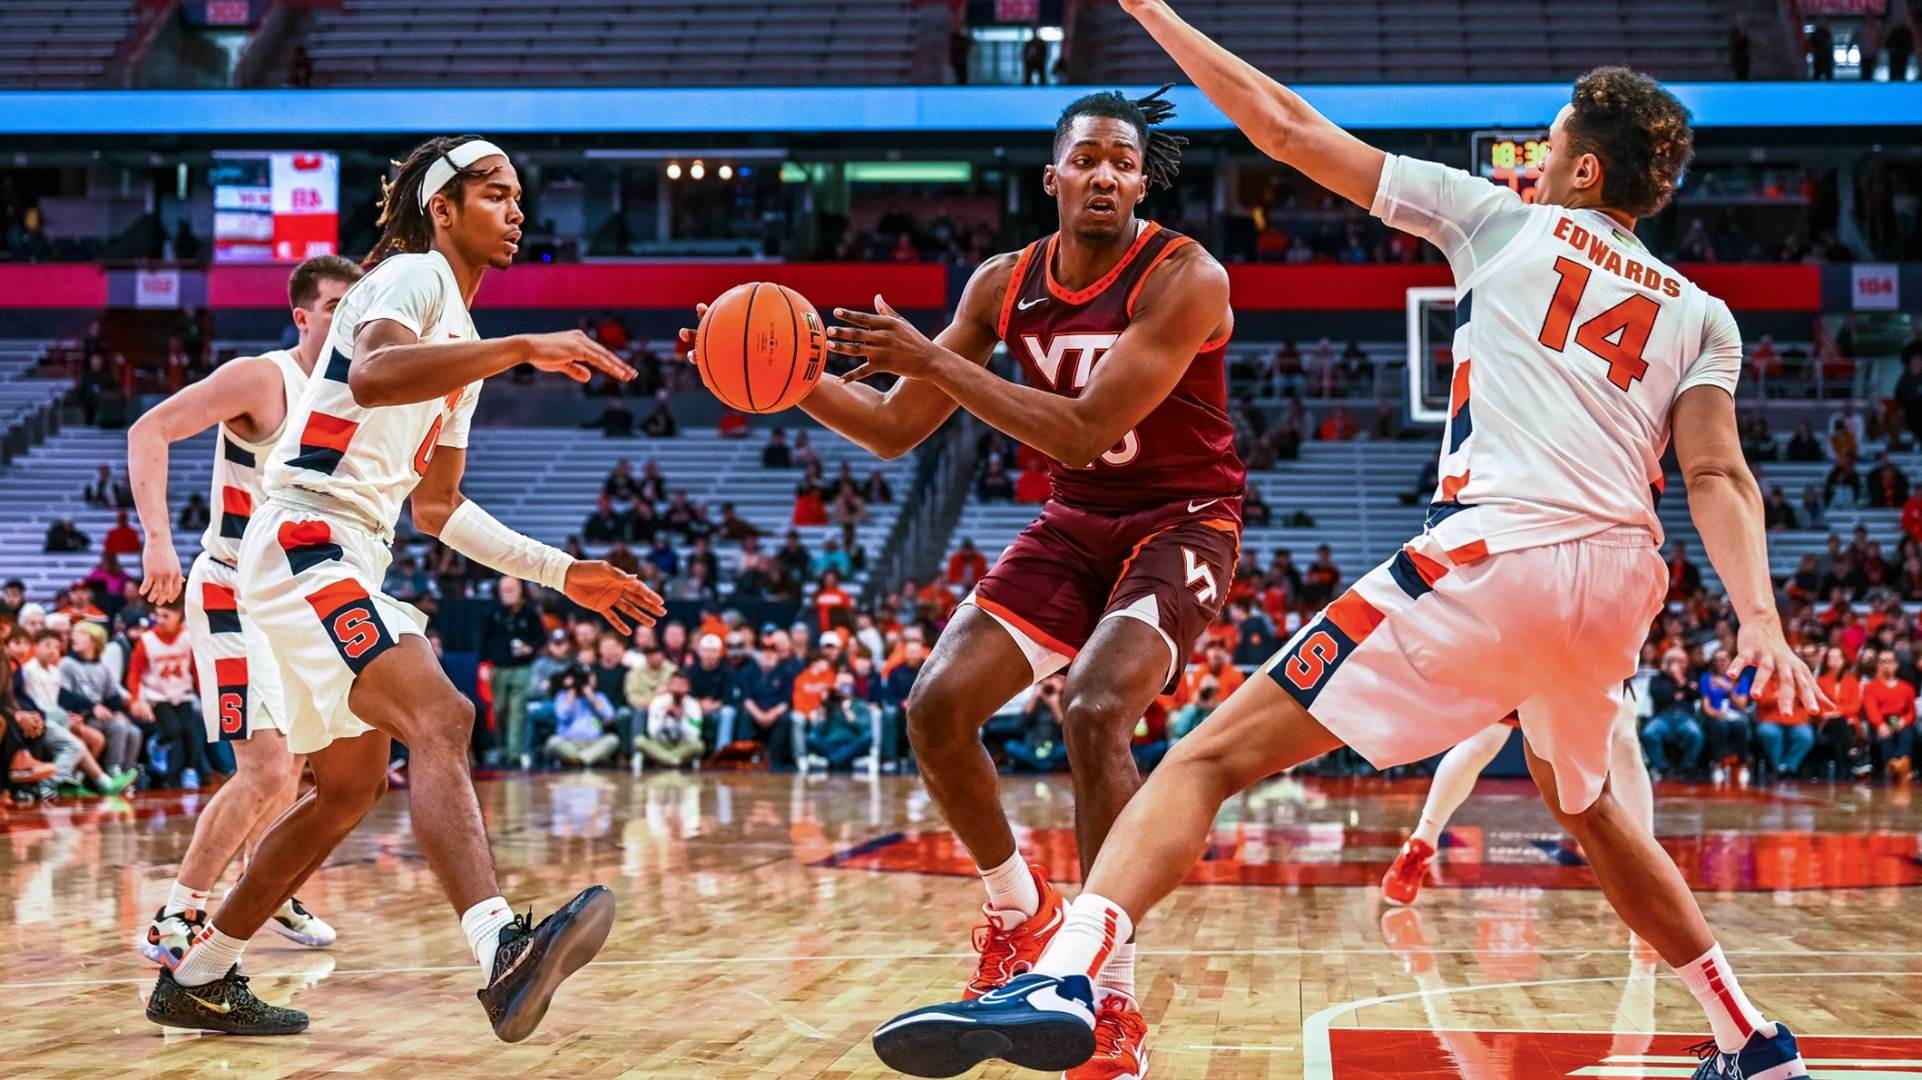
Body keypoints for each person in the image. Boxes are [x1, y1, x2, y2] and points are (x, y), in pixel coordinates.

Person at [873, 15, 1816, 1079]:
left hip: (1496, 552)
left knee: (1205, 759)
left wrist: (1155, 17)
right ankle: (1750, 1037)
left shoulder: (1500, 222)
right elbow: (1716, 477)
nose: (1531, 161)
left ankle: (1066, 970)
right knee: (1590, 809)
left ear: (1581, 167)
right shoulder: (1701, 311)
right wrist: (1758, 615)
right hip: (1617, 587)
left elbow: (1281, 126)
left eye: (1546, 146)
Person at [693, 83, 1240, 1070]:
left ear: (1142, 179)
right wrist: (775, 376)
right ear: (1052, 177)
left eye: (1124, 160)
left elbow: (1081, 428)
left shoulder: (1185, 276)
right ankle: (1017, 914)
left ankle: (1106, 999)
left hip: (1182, 520)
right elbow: (896, 426)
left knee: (1093, 707)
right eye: (1087, 159)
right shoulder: (1001, 282)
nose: (1106, 174)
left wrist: (931, 362)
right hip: (1076, 522)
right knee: (934, 706)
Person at [141, 135, 663, 1041]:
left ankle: (200, 975)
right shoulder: (412, 278)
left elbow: (438, 507)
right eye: (493, 193)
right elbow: (377, 374)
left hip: (345, 551)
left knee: (349, 787)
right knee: (442, 717)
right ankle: (502, 949)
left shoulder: (457, 338)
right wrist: (522, 348)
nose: (516, 209)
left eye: (518, 196)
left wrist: (561, 570)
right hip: (306, 537)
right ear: (442, 209)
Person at [126, 255, 365, 964]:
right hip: (234, 587)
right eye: (333, 306)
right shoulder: (264, 377)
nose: (347, 317)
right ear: (303, 316)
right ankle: (177, 916)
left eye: (356, 307)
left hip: (298, 599)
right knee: (266, 767)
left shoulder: (352, 394)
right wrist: (157, 541)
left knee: (314, 768)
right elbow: (149, 430)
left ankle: (262, 885)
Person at [481, 578, 545, 768]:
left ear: (520, 591)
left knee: (518, 710)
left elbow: (541, 639)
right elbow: (484, 641)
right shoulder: (493, 614)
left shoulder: (530, 613)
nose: (507, 593)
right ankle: (501, 747)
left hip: (522, 667)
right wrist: (484, 665)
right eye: (504, 589)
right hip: (499, 667)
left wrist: (530, 648)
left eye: (511, 589)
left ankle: (514, 753)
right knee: (499, 709)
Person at [544, 665, 618, 767]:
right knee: (553, 742)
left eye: (590, 677)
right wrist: (571, 691)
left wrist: (591, 696)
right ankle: (586, 759)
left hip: (594, 742)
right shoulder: (562, 696)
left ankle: (580, 759)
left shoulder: (599, 696)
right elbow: (563, 715)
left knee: (612, 740)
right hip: (569, 743)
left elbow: (609, 716)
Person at [1003, 674, 1067, 772]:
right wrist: (1034, 699)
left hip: (1054, 748)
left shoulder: (1065, 702)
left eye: (1053, 679)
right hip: (1032, 747)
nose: (1048, 683)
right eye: (1045, 680)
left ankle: (1039, 765)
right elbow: (1018, 726)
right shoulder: (1035, 703)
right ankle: (1045, 765)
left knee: (1067, 749)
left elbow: (1066, 731)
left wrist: (1055, 706)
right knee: (1010, 745)